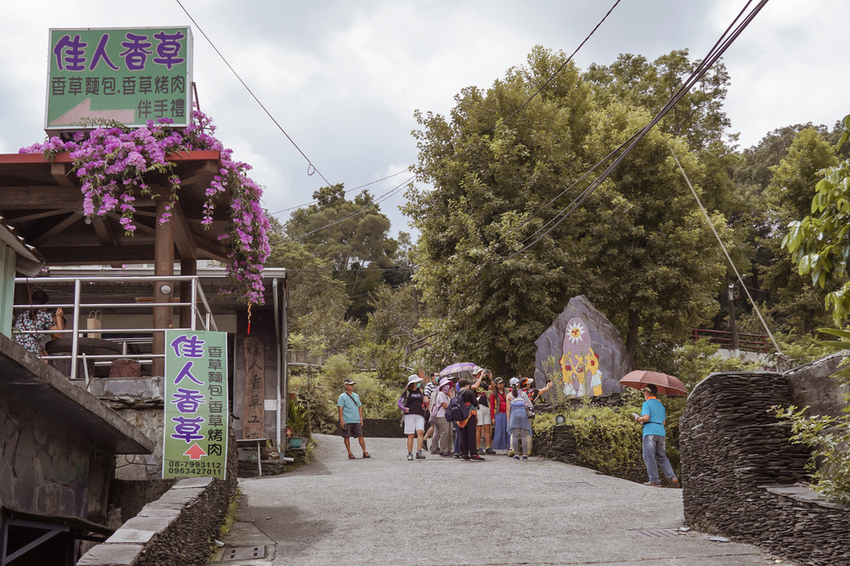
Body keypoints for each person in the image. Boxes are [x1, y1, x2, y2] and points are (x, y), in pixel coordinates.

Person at [635, 384, 679, 487]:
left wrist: (638, 419)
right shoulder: (661, 405)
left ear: (647, 393)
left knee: (649, 456)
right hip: (661, 432)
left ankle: (654, 480)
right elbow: (663, 422)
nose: (644, 394)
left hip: (650, 432)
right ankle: (672, 476)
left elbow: (646, 417)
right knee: (662, 456)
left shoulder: (647, 403)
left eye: (644, 392)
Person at [14, 290, 64, 355]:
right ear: (46, 303)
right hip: (31, 349)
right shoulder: (45, 316)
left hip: (15, 347)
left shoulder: (22, 315)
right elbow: (59, 335)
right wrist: (59, 316)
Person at [337, 378, 370, 459]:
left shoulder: (356, 396)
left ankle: (365, 451)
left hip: (356, 419)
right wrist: (341, 420)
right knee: (346, 436)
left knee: (360, 435)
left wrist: (361, 418)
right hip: (347, 420)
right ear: (345, 386)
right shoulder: (342, 396)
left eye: (352, 384)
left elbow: (359, 407)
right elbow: (340, 409)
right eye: (350, 384)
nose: (352, 386)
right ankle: (349, 453)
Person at [398, 374, 427, 460]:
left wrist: (425, 406)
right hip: (410, 415)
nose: (418, 383)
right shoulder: (407, 392)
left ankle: (419, 451)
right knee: (411, 434)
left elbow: (423, 401)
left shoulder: (420, 391)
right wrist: (404, 408)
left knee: (420, 432)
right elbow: (399, 402)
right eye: (417, 382)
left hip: (420, 414)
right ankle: (409, 453)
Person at [455, 378, 484, 461]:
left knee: (463, 435)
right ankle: (473, 453)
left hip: (461, 416)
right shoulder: (469, 392)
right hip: (470, 415)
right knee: (471, 434)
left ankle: (463, 453)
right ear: (466, 385)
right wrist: (477, 401)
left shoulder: (458, 393)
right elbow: (475, 403)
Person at [506, 377, 532, 461]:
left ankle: (516, 454)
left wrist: (508, 420)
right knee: (524, 436)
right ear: (519, 384)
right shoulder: (523, 394)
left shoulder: (509, 395)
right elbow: (529, 404)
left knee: (515, 436)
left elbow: (508, 410)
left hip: (514, 416)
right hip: (523, 415)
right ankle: (524, 454)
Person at [430, 377, 454, 456]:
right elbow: (445, 405)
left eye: (448, 384)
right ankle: (444, 450)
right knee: (445, 433)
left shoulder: (447, 395)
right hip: (442, 416)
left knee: (450, 433)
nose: (447, 386)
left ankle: (449, 449)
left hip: (448, 416)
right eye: (446, 384)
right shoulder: (441, 394)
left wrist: (450, 396)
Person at [490, 377, 509, 454]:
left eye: (502, 383)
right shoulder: (493, 394)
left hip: (507, 413)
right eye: (499, 384)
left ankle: (509, 447)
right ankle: (499, 448)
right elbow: (491, 406)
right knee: (499, 431)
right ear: (496, 385)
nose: (501, 385)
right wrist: (492, 417)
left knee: (507, 430)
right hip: (498, 413)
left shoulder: (507, 391)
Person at [422, 371, 439, 450]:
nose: (438, 377)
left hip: (437, 407)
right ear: (432, 377)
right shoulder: (429, 385)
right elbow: (426, 396)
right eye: (436, 375)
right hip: (431, 407)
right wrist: (428, 407)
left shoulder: (438, 385)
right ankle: (424, 439)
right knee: (434, 425)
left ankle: (433, 444)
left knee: (434, 426)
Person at [476, 384, 494, 455]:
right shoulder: (472, 384)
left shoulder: (483, 384)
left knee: (487, 426)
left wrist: (490, 379)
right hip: (478, 406)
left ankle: (488, 447)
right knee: (479, 427)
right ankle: (478, 447)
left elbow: (492, 387)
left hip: (486, 406)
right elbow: (474, 387)